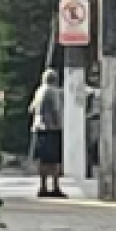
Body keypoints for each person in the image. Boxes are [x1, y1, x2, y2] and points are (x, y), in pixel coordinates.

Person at [29, 69, 66, 198]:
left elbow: (31, 108)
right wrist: (59, 124)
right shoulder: (52, 91)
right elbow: (56, 109)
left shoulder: (39, 91)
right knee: (55, 161)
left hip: (39, 128)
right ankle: (55, 187)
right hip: (52, 129)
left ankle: (43, 186)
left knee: (43, 160)